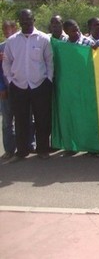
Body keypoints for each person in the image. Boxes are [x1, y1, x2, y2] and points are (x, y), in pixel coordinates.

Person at [3, 9, 54, 162]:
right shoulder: (12, 41)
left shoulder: (44, 39)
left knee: (42, 118)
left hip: (40, 85)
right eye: (23, 20)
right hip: (18, 86)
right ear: (19, 21)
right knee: (20, 119)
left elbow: (49, 61)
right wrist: (10, 80)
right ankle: (22, 151)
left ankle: (43, 149)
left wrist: (48, 80)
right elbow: (6, 63)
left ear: (34, 20)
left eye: (29, 19)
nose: (26, 22)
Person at [0, 20, 18, 159]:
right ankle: (9, 149)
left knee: (25, 118)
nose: (6, 33)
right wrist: (1, 88)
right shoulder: (1, 47)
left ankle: (28, 145)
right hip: (6, 88)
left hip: (22, 87)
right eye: (4, 30)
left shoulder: (21, 45)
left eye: (9, 29)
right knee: (7, 120)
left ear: (15, 28)